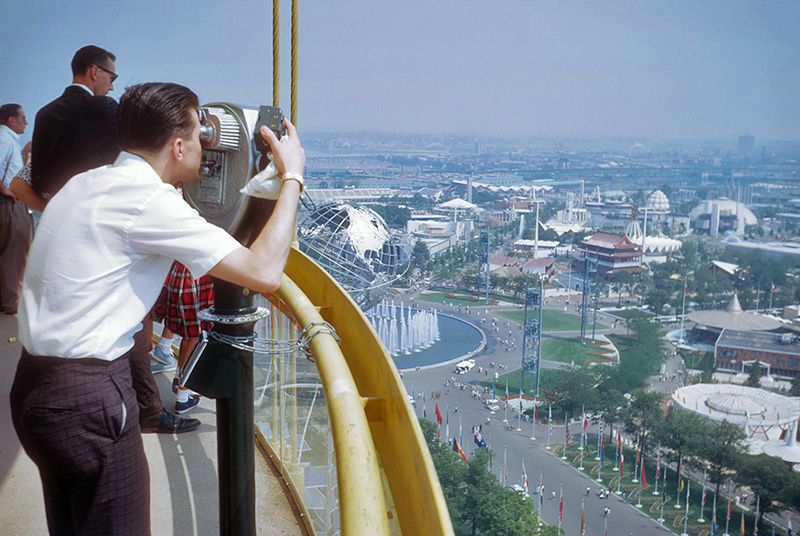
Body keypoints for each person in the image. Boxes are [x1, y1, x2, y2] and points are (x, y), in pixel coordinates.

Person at [10, 82, 305, 534]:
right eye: (200, 132)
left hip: (34, 389)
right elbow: (264, 272)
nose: (207, 143)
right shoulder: (149, 203)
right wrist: (292, 177)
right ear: (178, 145)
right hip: (87, 398)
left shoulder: (86, 182)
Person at [29, 45, 197, 434]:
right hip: (107, 230)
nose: (111, 83)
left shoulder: (45, 113)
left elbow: (30, 179)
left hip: (58, 227)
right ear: (94, 72)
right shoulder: (102, 110)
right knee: (134, 321)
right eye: (111, 76)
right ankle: (146, 411)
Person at [0, 103, 32, 314]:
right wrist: (4, 189)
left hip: (10, 205)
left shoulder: (9, 140)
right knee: (15, 255)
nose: (26, 122)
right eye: (23, 118)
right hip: (11, 205)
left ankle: (8, 301)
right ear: (11, 120)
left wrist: (23, 153)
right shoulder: (4, 138)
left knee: (10, 253)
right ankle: (11, 304)